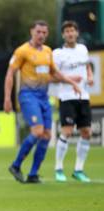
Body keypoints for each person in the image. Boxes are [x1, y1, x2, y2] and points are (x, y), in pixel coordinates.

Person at [4, 20, 81, 183]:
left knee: (46, 135)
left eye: (44, 33)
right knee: (38, 131)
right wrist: (7, 98)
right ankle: (16, 165)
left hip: (44, 97)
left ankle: (33, 174)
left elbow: (55, 74)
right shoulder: (22, 51)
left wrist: (72, 82)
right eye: (38, 32)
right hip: (28, 95)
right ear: (32, 31)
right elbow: (10, 74)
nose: (41, 35)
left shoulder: (47, 51)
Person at [51, 20, 94, 183]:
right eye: (67, 31)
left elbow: (87, 65)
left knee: (87, 132)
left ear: (77, 33)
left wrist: (89, 76)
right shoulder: (58, 54)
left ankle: (78, 169)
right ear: (63, 35)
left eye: (72, 31)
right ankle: (59, 168)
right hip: (67, 96)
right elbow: (53, 75)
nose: (70, 33)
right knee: (67, 131)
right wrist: (70, 79)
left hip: (83, 96)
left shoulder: (83, 49)